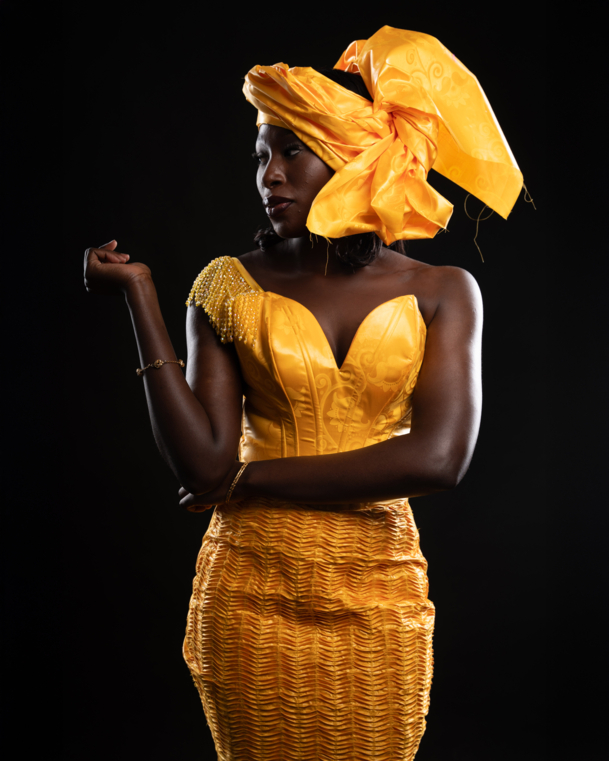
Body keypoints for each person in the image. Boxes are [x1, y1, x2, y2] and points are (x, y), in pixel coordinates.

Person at [83, 26, 522, 761]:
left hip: (382, 595)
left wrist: (252, 478)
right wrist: (141, 298)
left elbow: (440, 458)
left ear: (352, 160)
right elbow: (202, 467)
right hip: (250, 596)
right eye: (261, 154)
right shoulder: (227, 283)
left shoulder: (445, 291)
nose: (269, 175)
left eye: (291, 150)